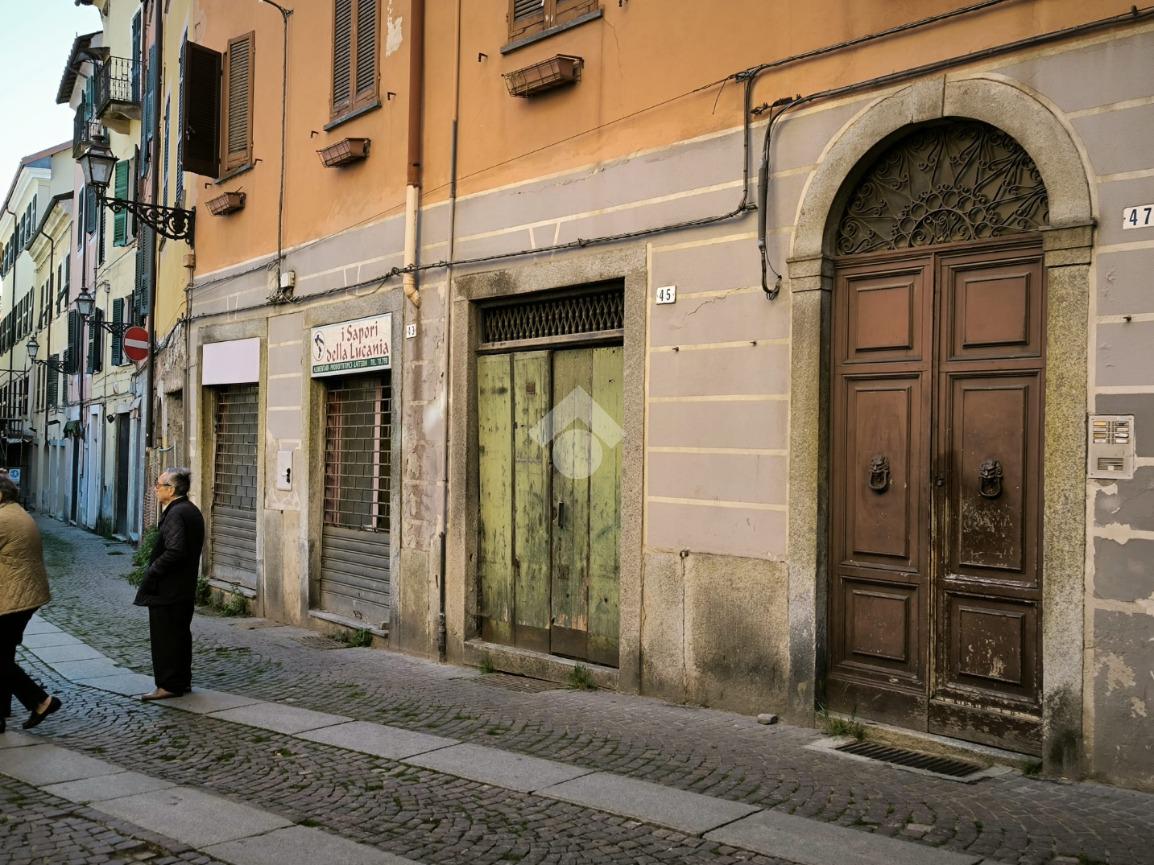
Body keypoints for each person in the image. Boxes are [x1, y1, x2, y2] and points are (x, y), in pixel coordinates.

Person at [135, 467, 204, 701]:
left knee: (165, 637)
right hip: (182, 587)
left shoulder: (176, 513)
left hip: (168, 589)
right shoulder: (189, 510)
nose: (155, 488)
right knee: (179, 635)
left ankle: (168, 685)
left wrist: (153, 569)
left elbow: (175, 550)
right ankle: (181, 681)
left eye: (159, 485)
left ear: (171, 489)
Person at [0, 474, 62, 733]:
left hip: (12, 598)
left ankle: (41, 701)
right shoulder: (15, 512)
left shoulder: (3, 519)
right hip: (21, 596)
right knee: (4, 654)